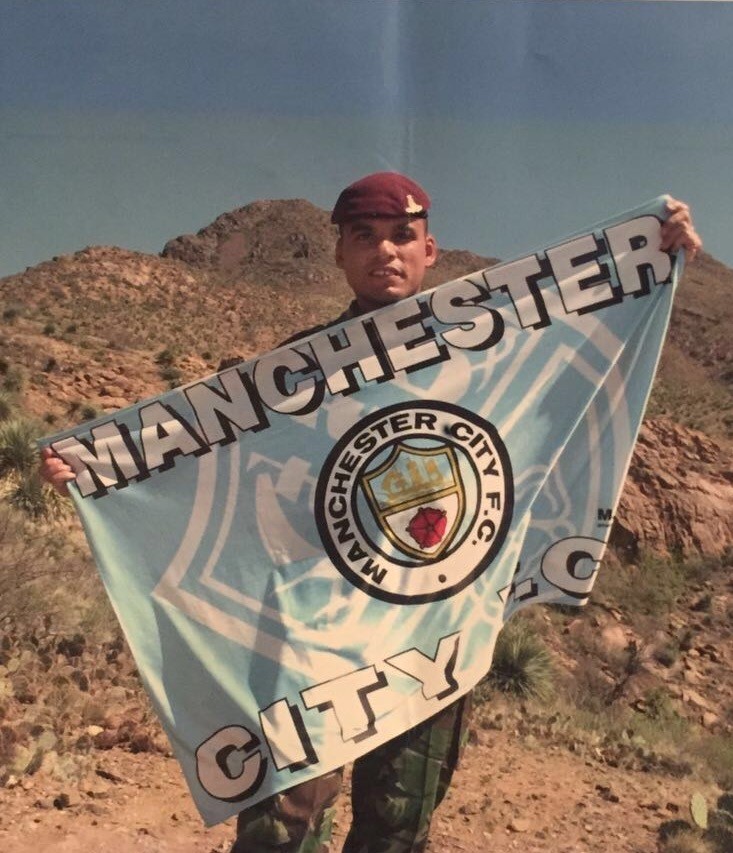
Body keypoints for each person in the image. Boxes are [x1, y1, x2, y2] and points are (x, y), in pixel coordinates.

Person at [40, 173, 703, 852]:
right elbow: (208, 460)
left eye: (401, 236)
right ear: (340, 253)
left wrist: (652, 252)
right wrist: (99, 469)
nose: (384, 251)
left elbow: (582, 356)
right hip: (314, 637)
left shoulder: (488, 349)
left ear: (429, 250)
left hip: (431, 625)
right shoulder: (297, 374)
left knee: (397, 827)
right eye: (365, 236)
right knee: (280, 830)